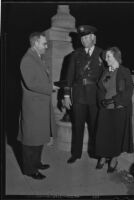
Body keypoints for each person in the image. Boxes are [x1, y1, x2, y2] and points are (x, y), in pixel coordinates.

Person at [18, 32, 58, 179]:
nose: (46, 46)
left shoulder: (37, 58)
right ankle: (30, 170)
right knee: (31, 139)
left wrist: (50, 85)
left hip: (40, 106)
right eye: (44, 44)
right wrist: (50, 88)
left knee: (39, 136)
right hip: (33, 107)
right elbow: (31, 83)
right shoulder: (27, 60)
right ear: (35, 44)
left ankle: (36, 162)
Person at [64, 25, 104, 163]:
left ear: (93, 38)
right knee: (78, 125)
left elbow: (107, 75)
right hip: (79, 95)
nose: (84, 40)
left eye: (87, 37)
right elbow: (69, 76)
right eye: (82, 37)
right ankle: (76, 154)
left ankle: (95, 152)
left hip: (94, 95)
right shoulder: (75, 55)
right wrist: (66, 95)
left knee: (95, 126)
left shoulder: (102, 54)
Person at [95, 46, 134, 172]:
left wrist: (113, 100)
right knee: (103, 134)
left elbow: (129, 90)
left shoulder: (124, 71)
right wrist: (101, 100)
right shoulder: (106, 71)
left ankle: (114, 159)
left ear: (116, 57)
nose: (106, 59)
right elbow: (100, 88)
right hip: (105, 108)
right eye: (106, 56)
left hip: (119, 108)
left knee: (116, 135)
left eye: (108, 56)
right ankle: (102, 156)